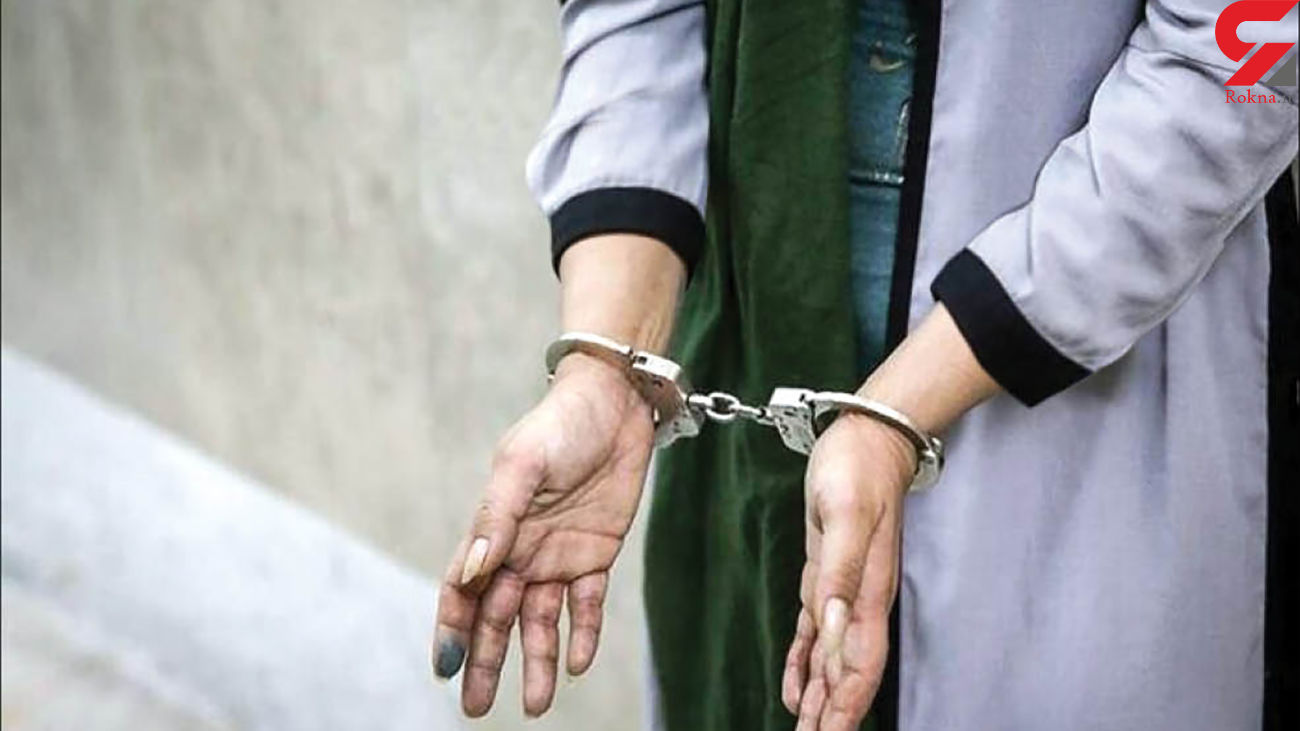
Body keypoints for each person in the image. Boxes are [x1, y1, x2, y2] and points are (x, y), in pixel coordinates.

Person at [433, 0, 1299, 729]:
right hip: (754, 343)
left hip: (1097, 378)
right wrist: (606, 364)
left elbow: (1241, 53)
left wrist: (895, 417)